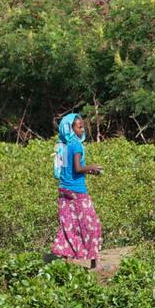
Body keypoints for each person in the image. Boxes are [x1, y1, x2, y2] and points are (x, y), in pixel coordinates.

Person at [49, 112, 103, 268]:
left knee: (68, 224)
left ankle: (68, 261)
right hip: (77, 191)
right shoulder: (76, 144)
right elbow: (78, 168)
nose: (82, 130)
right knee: (91, 223)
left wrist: (89, 171)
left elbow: (69, 169)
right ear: (70, 129)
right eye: (79, 127)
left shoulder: (61, 145)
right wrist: (92, 167)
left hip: (63, 190)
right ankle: (94, 263)